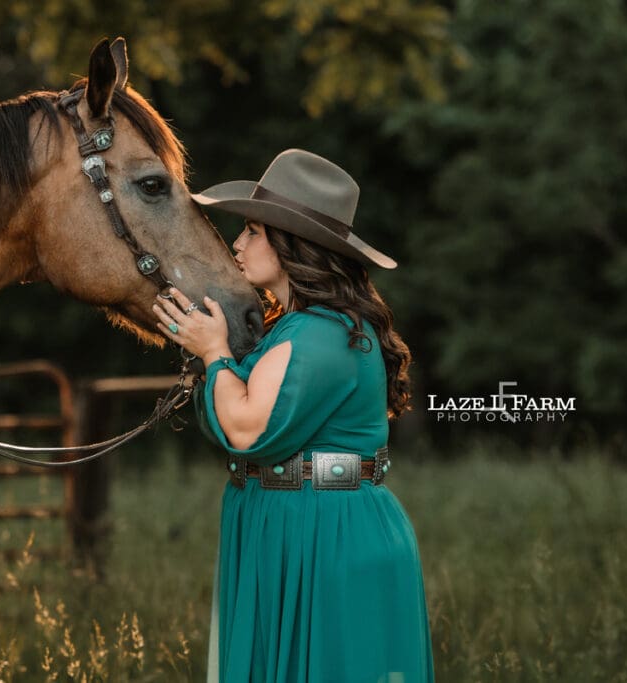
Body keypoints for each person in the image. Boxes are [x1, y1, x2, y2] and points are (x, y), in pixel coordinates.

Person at [151, 149, 434, 682]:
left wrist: (214, 353)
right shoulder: (292, 328)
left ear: (291, 245)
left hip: (324, 535)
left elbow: (247, 429)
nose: (237, 244)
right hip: (291, 526)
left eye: (253, 231)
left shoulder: (323, 333)